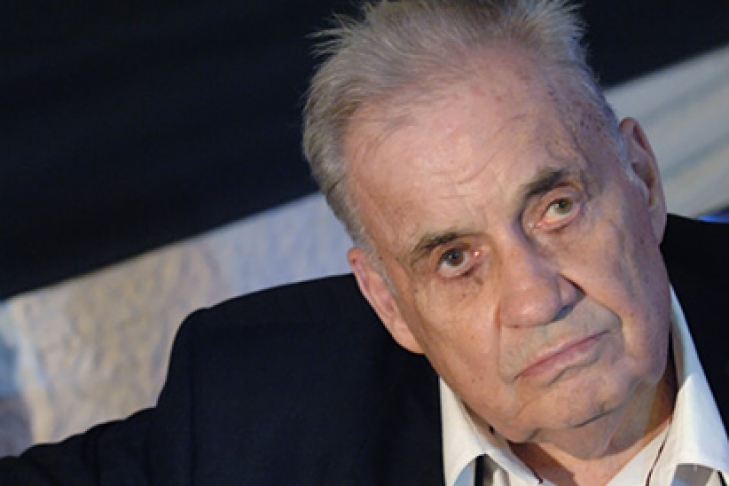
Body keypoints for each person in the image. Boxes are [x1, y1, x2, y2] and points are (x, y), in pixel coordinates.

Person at [1, 0, 728, 484]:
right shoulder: (261, 416)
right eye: (455, 259)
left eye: (556, 208)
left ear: (642, 180)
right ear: (387, 301)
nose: (537, 299)